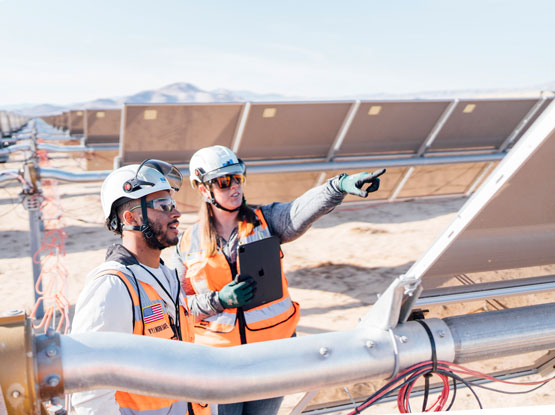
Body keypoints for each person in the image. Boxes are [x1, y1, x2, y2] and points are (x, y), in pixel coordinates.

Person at [172, 145, 386, 415]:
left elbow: (301, 210)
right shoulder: (187, 244)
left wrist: (338, 186)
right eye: (224, 182)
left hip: (272, 358)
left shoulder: (267, 222)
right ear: (204, 189)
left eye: (238, 178)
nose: (234, 187)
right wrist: (219, 300)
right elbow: (178, 308)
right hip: (221, 364)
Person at [71, 159, 209, 415]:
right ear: (131, 217)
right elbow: (89, 395)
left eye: (174, 205)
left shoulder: (167, 277)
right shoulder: (112, 287)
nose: (176, 213)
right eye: (163, 206)